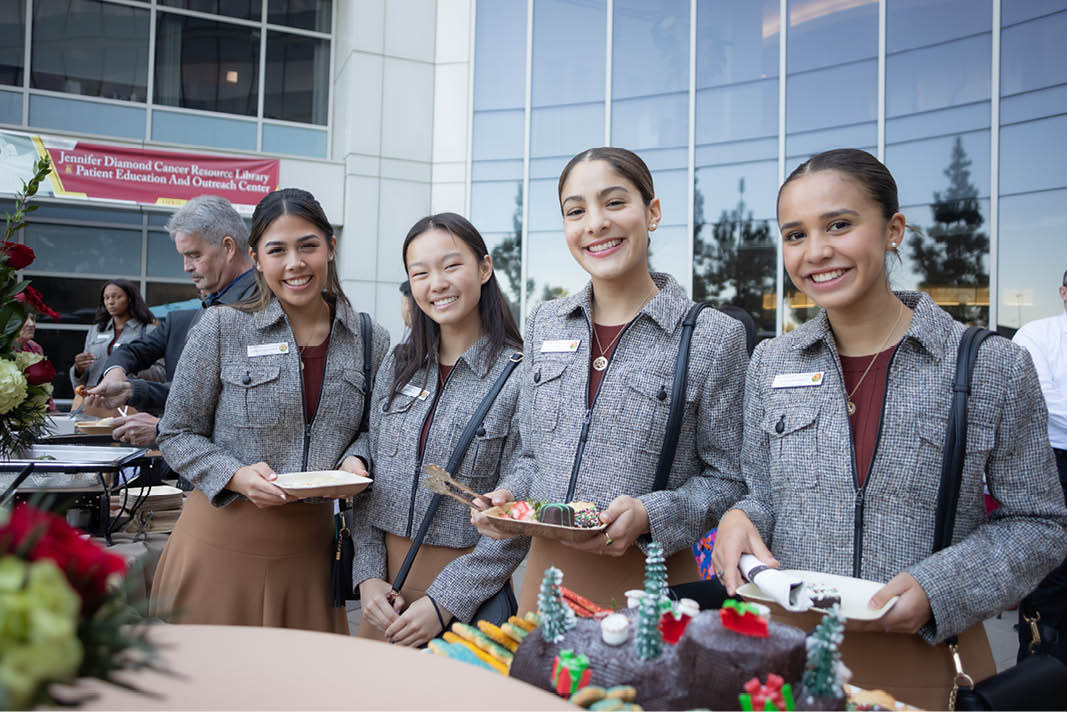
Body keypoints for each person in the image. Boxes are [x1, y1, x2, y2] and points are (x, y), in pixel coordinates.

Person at [711, 148, 1067, 709]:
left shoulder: (990, 365)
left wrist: (940, 587)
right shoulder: (771, 363)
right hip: (786, 662)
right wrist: (738, 517)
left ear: (893, 229)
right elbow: (762, 494)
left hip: (930, 663)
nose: (816, 251)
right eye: (795, 235)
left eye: (839, 225)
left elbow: (1040, 524)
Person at [473, 146, 749, 613]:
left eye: (614, 202)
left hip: (652, 586)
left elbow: (730, 480)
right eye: (575, 211)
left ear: (653, 212)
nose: (595, 223)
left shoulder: (712, 336)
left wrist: (650, 515)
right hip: (547, 583)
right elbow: (531, 454)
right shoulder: (545, 323)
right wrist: (508, 499)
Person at [151, 188, 389, 633]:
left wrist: (358, 458)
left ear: (330, 249)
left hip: (312, 556)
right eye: (277, 250)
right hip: (220, 543)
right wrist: (236, 476)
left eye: (308, 246)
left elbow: (372, 430)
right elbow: (176, 432)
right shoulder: (222, 326)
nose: (294, 263)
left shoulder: (368, 338)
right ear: (256, 258)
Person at [352, 212, 524, 646]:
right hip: (384, 595)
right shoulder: (398, 363)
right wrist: (368, 576)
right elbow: (373, 480)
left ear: (484, 268)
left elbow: (523, 498)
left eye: (451, 266)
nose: (437, 284)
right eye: (420, 273)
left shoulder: (521, 373)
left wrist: (446, 599)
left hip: (466, 591)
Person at [85, 195, 256, 446]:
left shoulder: (257, 308)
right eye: (184, 256)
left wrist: (142, 401)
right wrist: (116, 373)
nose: (186, 267)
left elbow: (225, 396)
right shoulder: (204, 310)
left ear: (229, 247)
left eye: (194, 255)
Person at [1011, 268, 1067, 663]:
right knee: (1051, 583)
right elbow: (1046, 403)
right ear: (1064, 292)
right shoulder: (1039, 334)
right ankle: (1039, 676)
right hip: (1054, 466)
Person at [70, 279, 164, 389]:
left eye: (116, 297)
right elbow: (82, 381)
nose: (110, 302)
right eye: (106, 298)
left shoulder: (149, 330)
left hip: (129, 398)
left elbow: (161, 374)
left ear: (130, 299)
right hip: (95, 397)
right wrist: (78, 369)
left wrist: (127, 366)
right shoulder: (96, 330)